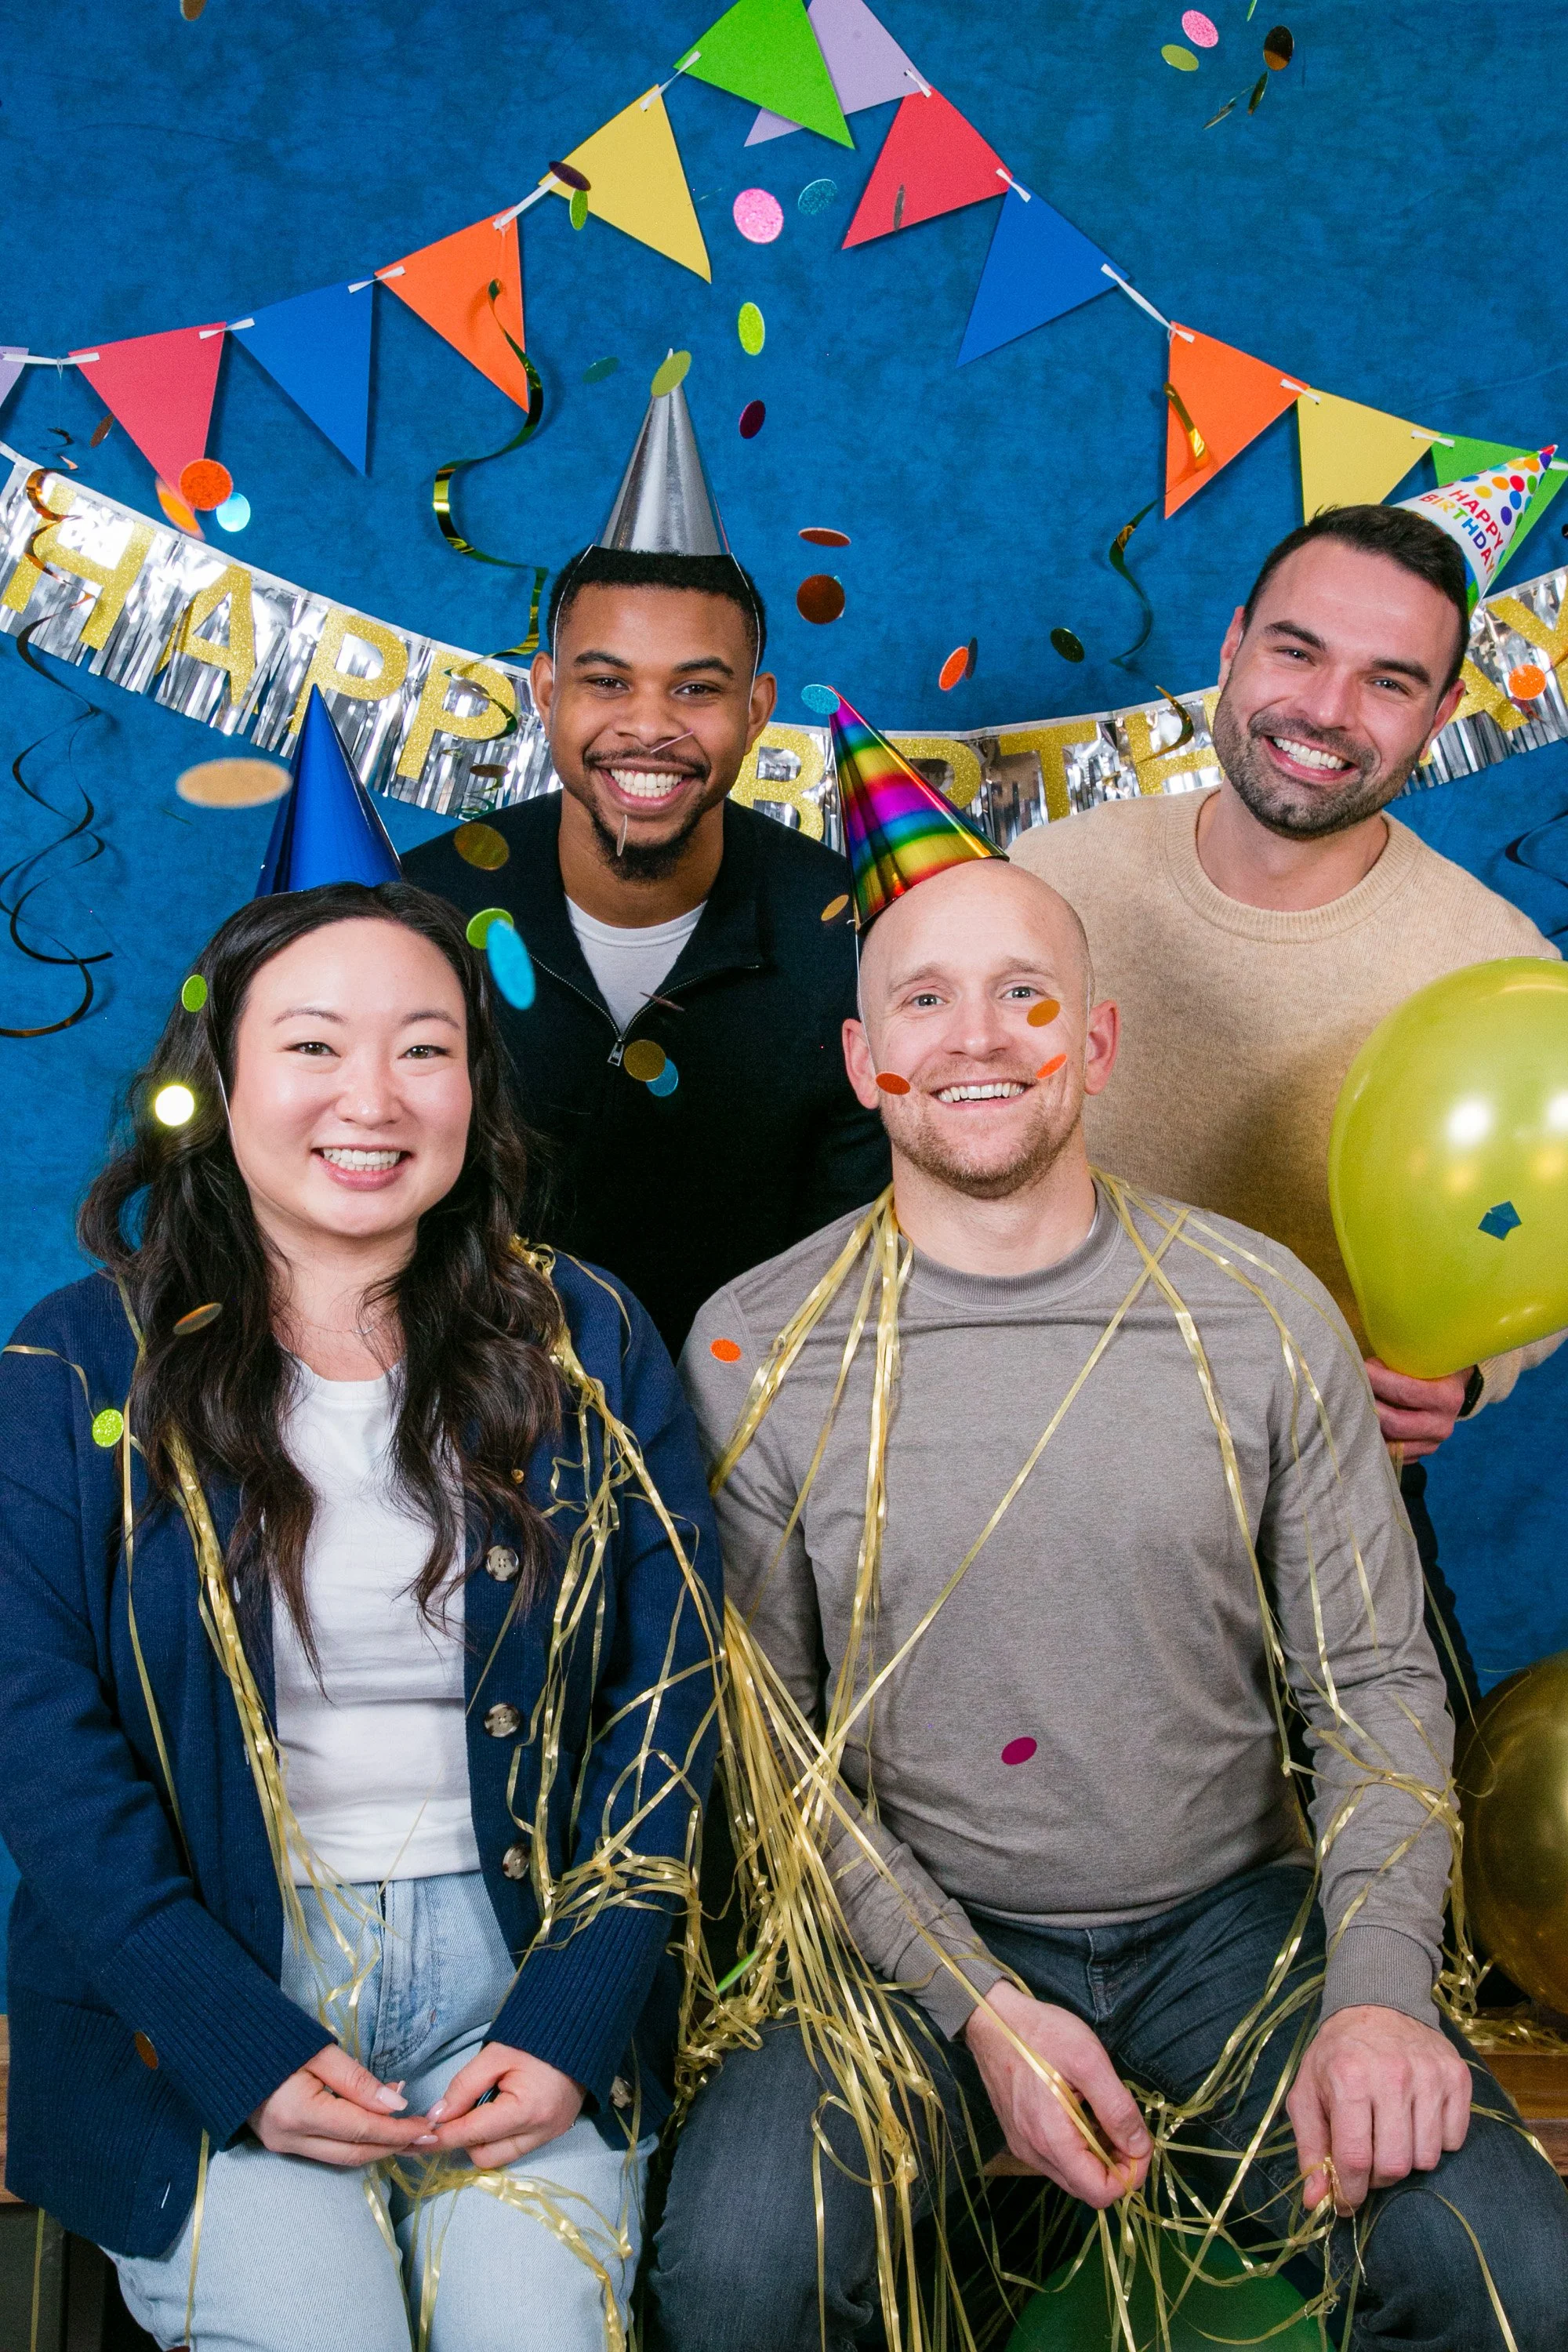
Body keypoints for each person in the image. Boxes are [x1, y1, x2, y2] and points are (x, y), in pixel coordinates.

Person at [644, 711, 1568, 2352]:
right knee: (732, 2277)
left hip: (1231, 1924)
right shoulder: (751, 1347)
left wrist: (1369, 1990)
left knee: (1510, 2275)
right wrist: (980, 2007)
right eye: (921, 999)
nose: (976, 1037)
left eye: (1025, 993)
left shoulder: (1256, 1309)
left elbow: (1371, 1682)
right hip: (910, 1940)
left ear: (1100, 1039)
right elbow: (777, 1760)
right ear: (864, 1064)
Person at [0, 750, 723, 2352]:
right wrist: (225, 2036)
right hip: (196, 1980)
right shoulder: (72, 1368)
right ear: (226, 1078)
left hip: (517, 1964)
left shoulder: (587, 1338)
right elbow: (37, 1739)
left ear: (477, 1082)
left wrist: (573, 2010)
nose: (373, 1099)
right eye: (313, 1046)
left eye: (424, 1049)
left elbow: (670, 1696)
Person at [1011, 501, 1561, 1702]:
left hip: (1314, 1515)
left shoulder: (1496, 972)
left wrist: (1472, 1375)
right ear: (1232, 646)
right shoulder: (1050, 881)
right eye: (1298, 652)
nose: (1325, 712)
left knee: (1417, 1866)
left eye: (1389, 681)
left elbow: (1547, 1214)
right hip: (1023, 1482)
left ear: (1443, 715)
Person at [405, 377, 888, 1354]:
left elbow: (869, 1265)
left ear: (756, 710)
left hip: (751, 1446)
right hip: (450, 1427)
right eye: (606, 681)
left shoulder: (853, 939)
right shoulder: (415, 913)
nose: (649, 728)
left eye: (695, 690)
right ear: (545, 692)